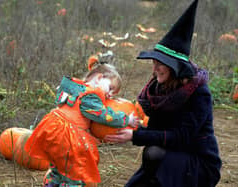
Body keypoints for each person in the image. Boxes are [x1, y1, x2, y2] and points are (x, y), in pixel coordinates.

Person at [105, 0, 222, 186]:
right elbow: (155, 131)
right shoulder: (159, 89)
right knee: (152, 153)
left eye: (161, 64)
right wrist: (127, 126)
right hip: (173, 156)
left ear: (176, 68)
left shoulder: (199, 93)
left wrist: (135, 136)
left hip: (198, 163)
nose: (155, 68)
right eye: (154, 62)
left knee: (155, 153)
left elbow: (181, 137)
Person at [24, 55, 139, 187]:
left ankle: (51, 183)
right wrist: (126, 120)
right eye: (111, 88)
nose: (110, 95)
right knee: (75, 171)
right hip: (67, 133)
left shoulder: (74, 88)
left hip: (52, 127)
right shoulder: (91, 95)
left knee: (59, 164)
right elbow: (103, 115)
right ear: (99, 78)